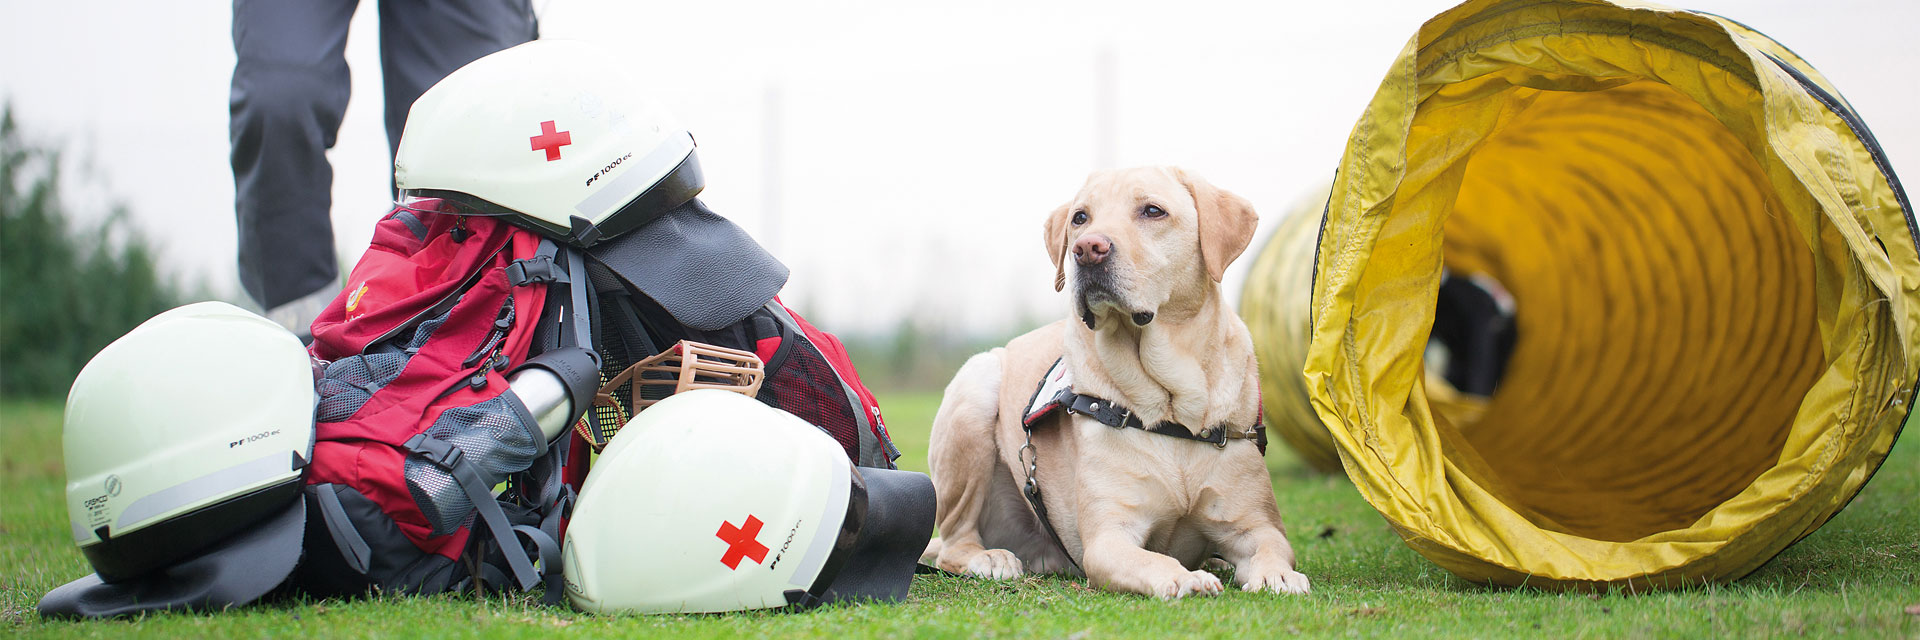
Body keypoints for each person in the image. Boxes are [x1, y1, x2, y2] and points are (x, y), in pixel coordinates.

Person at [229, 0, 538, 334]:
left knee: (478, 115)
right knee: (279, 98)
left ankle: (460, 336)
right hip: (302, 336)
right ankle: (307, 342)